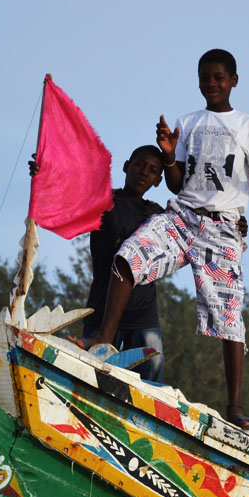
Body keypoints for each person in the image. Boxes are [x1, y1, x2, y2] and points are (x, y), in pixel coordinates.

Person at [85, 48, 249, 429]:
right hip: (183, 216)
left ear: (233, 81)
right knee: (128, 257)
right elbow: (178, 182)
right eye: (204, 78)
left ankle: (234, 406)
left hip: (223, 227)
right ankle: (103, 340)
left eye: (218, 78)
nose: (210, 84)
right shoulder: (189, 122)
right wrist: (167, 156)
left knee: (229, 316)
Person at [35, 145, 168, 382]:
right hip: (102, 310)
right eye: (139, 165)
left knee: (151, 387)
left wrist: (235, 225)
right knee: (89, 379)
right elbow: (67, 199)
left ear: (158, 180)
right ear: (127, 166)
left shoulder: (157, 215)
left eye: (152, 170)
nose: (144, 172)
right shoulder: (105, 202)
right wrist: (45, 174)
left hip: (143, 316)